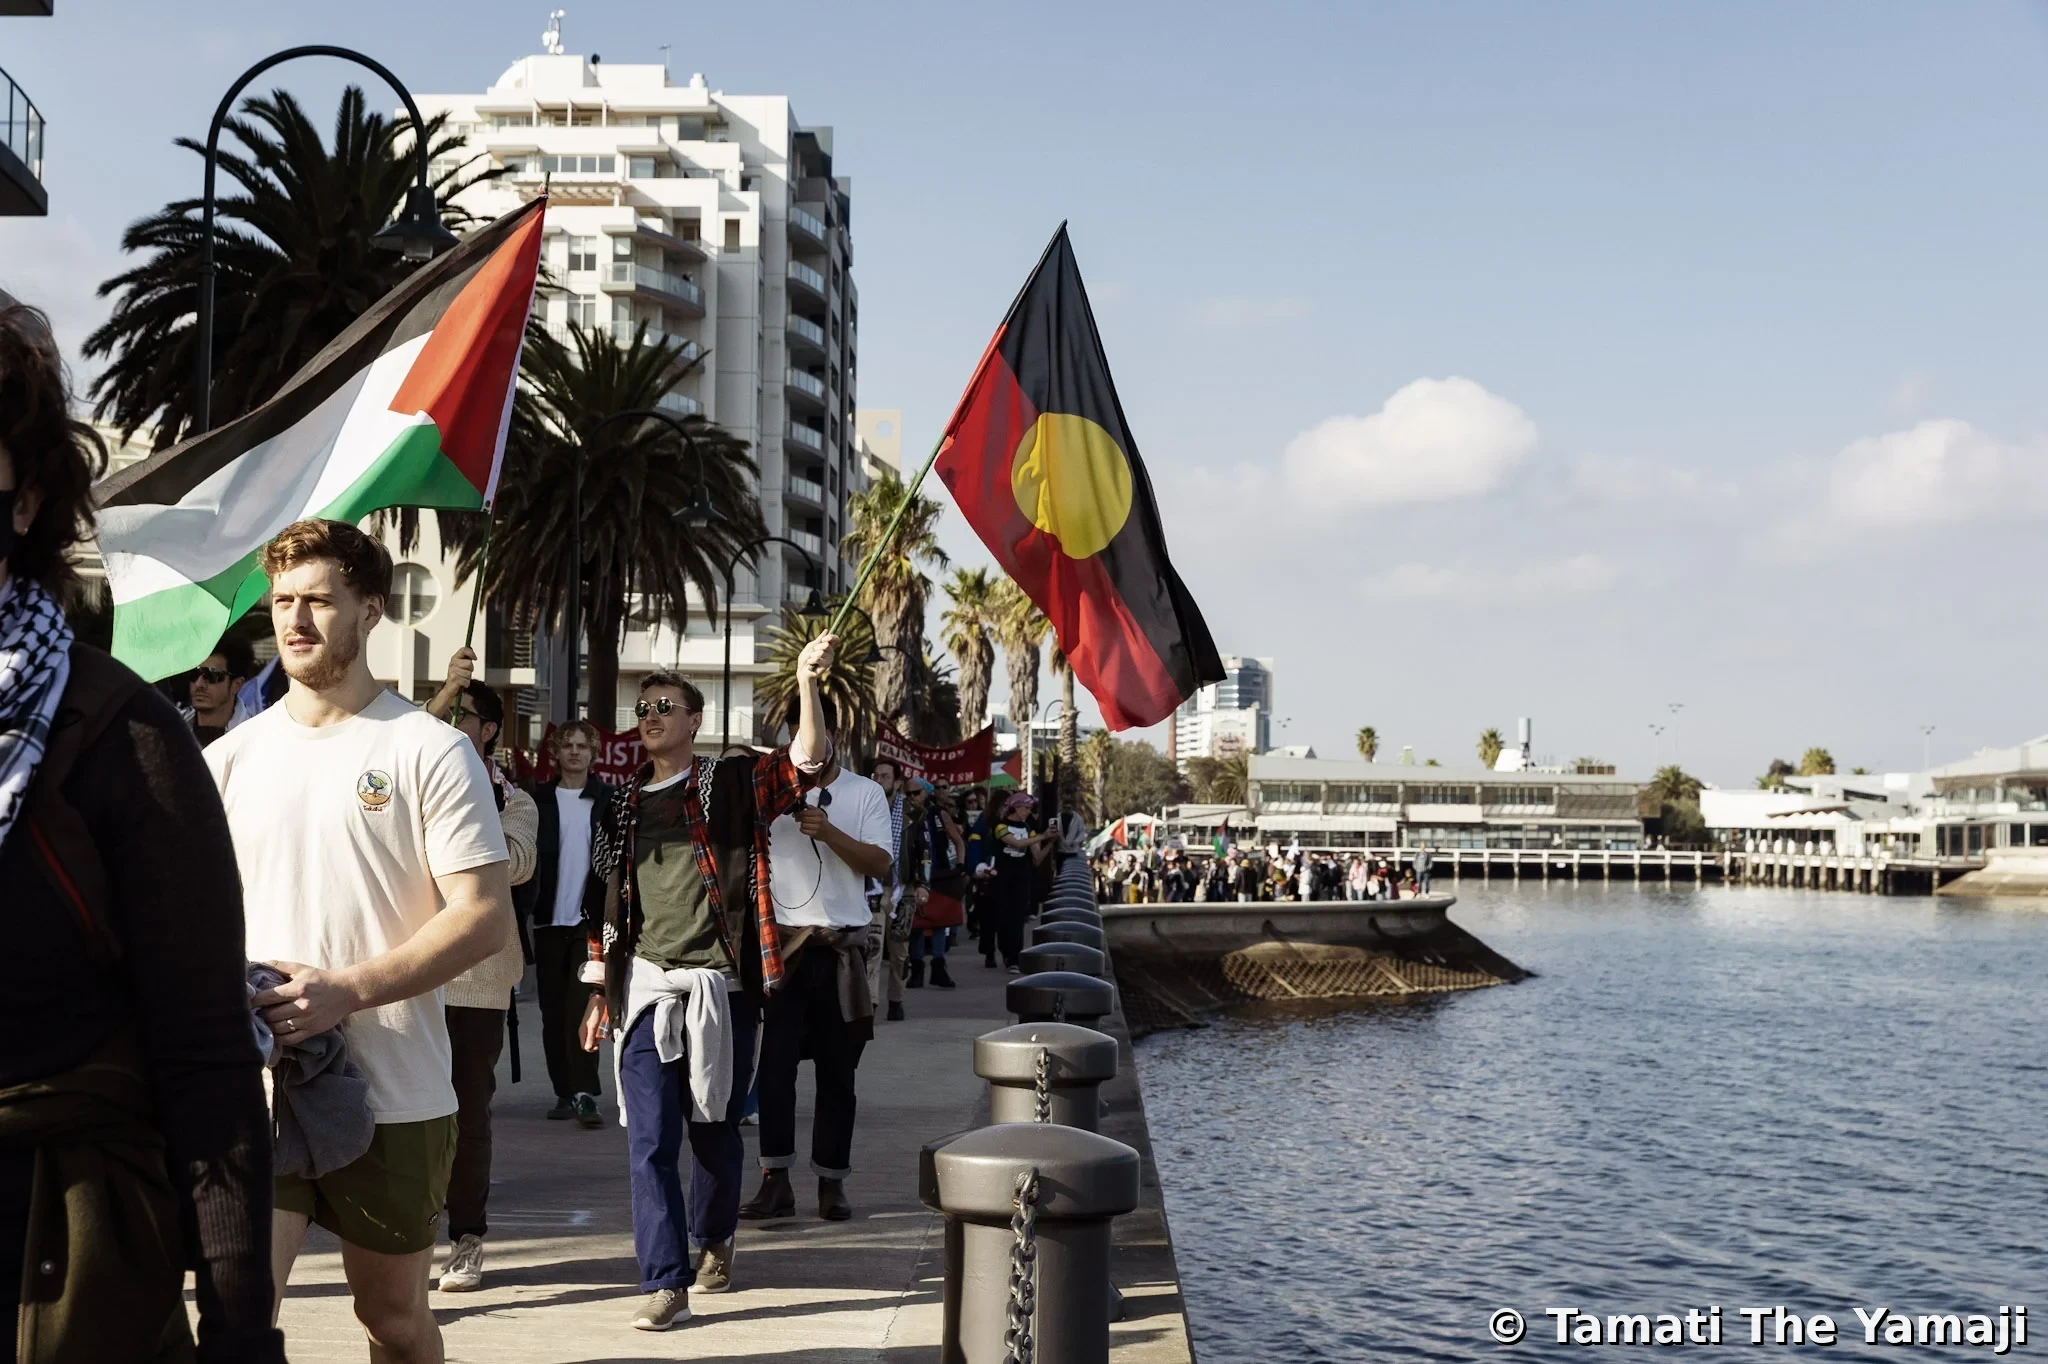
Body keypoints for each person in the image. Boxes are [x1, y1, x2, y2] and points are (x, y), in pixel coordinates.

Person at [0, 303, 285, 1363]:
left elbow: (206, 1056)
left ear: (25, 495)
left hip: (56, 1271)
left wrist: (242, 1327)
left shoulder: (126, 741)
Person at [208, 518, 515, 1364]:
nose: (295, 619)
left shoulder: (430, 749)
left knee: (393, 1321)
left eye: (318, 600)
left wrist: (347, 988)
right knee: (238, 1318)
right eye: (282, 602)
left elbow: (483, 914)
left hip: (394, 1089)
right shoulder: (227, 761)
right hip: (260, 1087)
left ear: (371, 608)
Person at [578, 647, 838, 1331]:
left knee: (714, 1133)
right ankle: (665, 1281)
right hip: (645, 991)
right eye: (644, 709)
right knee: (650, 1140)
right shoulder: (621, 803)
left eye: (667, 707)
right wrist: (599, 989)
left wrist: (807, 682)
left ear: (695, 719)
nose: (652, 717)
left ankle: (716, 1237)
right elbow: (601, 899)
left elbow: (806, 761)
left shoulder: (731, 783)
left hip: (721, 992)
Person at [742, 697, 892, 1225]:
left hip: (840, 954)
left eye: (819, 728)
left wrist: (830, 832)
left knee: (837, 1077)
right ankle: (774, 1182)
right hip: (782, 953)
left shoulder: (866, 792)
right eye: (799, 729)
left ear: (836, 732)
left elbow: (881, 864)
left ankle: (832, 1182)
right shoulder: (764, 791)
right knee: (775, 1074)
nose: (810, 740)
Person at [422, 666, 539, 1294]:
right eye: (442, 712)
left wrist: (476, 811)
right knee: (406, 1111)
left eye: (460, 714)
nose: (446, 722)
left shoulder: (513, 800)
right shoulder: (412, 783)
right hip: (409, 976)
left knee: (467, 1115)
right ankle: (408, 1238)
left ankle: (467, 1240)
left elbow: (517, 866)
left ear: (489, 730)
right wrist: (442, 689)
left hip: (477, 980)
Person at [530, 719, 612, 1126]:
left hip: (588, 925)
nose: (575, 752)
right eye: (568, 746)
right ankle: (563, 1092)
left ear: (594, 753)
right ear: (556, 753)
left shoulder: (608, 801)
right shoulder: (537, 800)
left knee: (582, 1008)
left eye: (583, 745)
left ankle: (585, 1092)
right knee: (551, 1013)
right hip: (547, 922)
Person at [984, 793, 1055, 971]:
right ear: (1015, 807)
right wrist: (1042, 836)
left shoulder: (1028, 828)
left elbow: (1036, 858)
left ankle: (1014, 957)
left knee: (1017, 918)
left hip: (1021, 878)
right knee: (1003, 916)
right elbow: (1016, 843)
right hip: (1002, 877)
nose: (1027, 812)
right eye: (1025, 808)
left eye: (1030, 809)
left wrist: (1050, 843)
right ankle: (1004, 950)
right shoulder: (1000, 826)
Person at [906, 781, 966, 990]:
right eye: (909, 793)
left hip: (940, 874)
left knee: (941, 922)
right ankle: (917, 968)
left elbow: (958, 840)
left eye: (917, 792)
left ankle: (939, 967)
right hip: (914, 875)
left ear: (926, 793)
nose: (912, 796)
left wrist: (960, 865)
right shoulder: (905, 814)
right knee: (916, 924)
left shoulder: (939, 815)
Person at [867, 757, 912, 1020]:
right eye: (877, 775)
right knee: (872, 948)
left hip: (903, 890)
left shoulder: (913, 814)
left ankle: (896, 999)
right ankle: (870, 1003)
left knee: (899, 952)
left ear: (897, 782)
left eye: (885, 776)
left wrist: (924, 884)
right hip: (872, 888)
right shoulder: (866, 809)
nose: (880, 780)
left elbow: (923, 850)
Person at [183, 633, 256, 748]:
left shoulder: (256, 736)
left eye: (212, 676)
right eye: (194, 674)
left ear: (236, 685)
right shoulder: (170, 727)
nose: (199, 684)